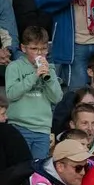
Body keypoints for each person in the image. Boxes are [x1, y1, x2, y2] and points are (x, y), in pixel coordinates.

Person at [4, 26, 63, 159]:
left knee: (38, 169)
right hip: (20, 126)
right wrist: (34, 75)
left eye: (43, 49)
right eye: (34, 49)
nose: (39, 53)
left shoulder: (50, 68)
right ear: (24, 48)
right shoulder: (15, 67)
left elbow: (57, 97)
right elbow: (12, 94)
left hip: (42, 129)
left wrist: (48, 77)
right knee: (20, 167)